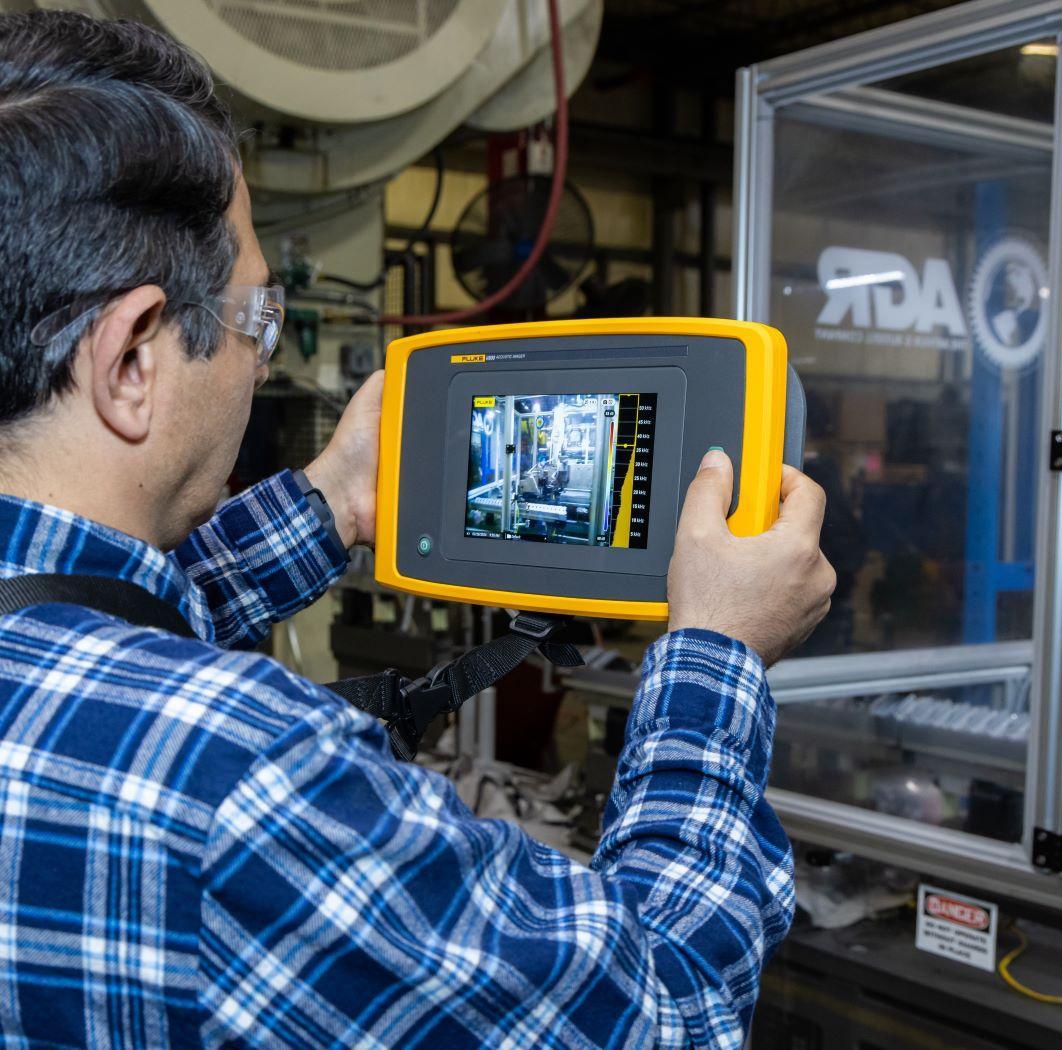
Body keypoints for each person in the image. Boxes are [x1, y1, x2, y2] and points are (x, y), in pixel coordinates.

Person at [0, 12, 835, 1048]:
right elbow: (661, 1011)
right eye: (260, 320)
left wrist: (331, 502)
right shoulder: (239, 771)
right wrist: (717, 658)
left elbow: (92, 628)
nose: (262, 360)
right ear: (130, 359)